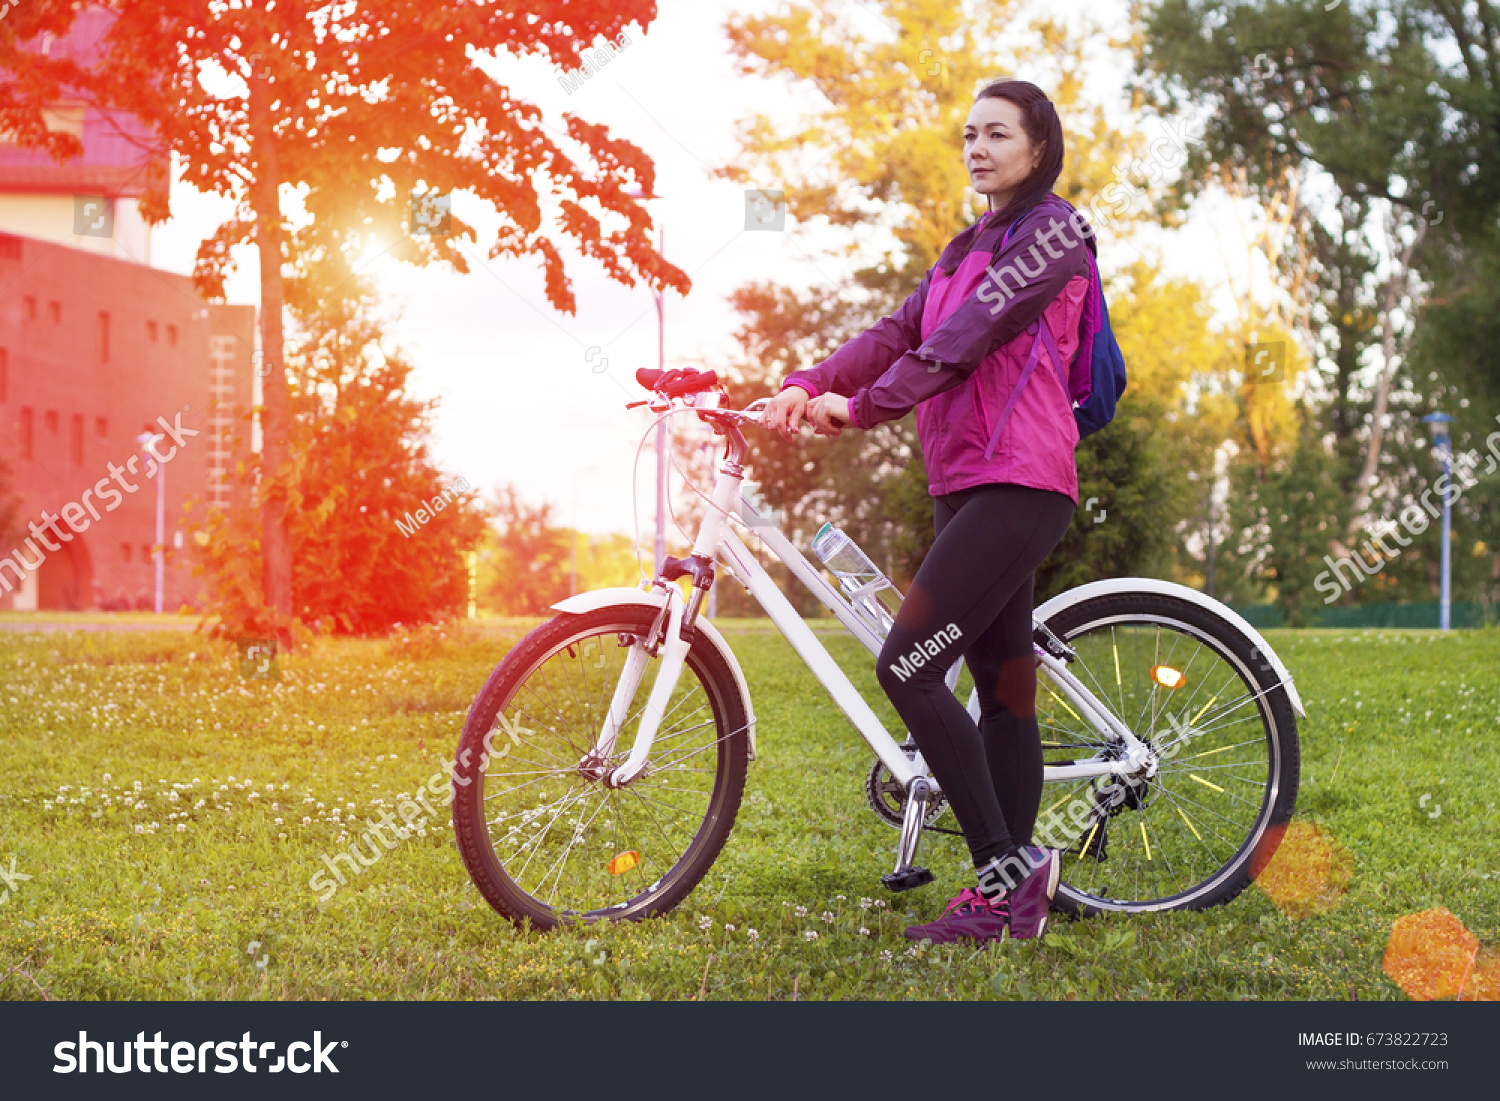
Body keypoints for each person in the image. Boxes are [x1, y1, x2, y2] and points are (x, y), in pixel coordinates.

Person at [761, 78, 1097, 944]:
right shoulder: (960, 248)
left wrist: (861, 407)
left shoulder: (1052, 233)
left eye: (997, 134)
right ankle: (1013, 896)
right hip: (963, 481)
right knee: (1003, 690)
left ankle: (1002, 878)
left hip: (1020, 479)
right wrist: (810, 380)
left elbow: (963, 340)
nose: (977, 148)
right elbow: (896, 332)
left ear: (1038, 147)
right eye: (969, 135)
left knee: (908, 663)